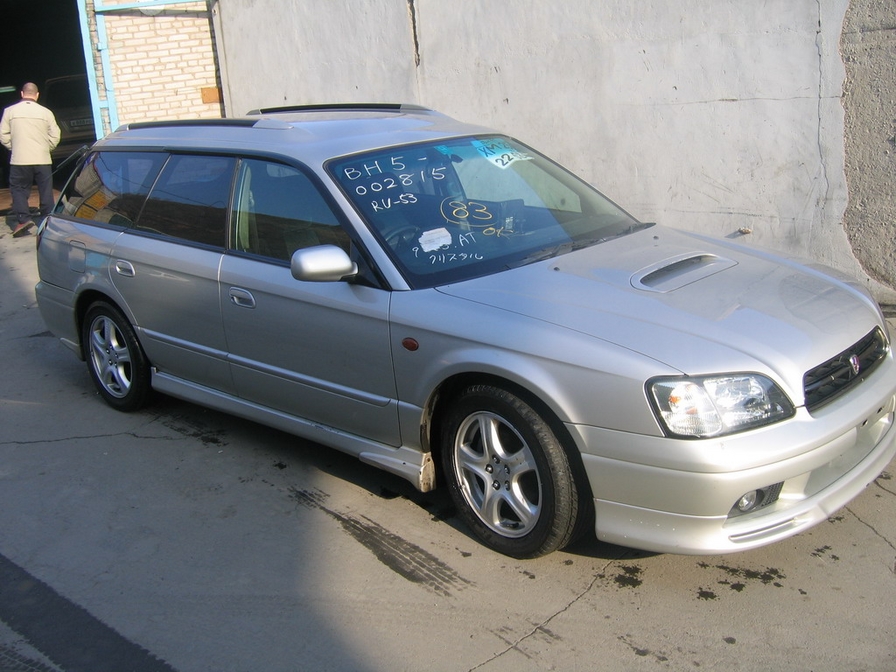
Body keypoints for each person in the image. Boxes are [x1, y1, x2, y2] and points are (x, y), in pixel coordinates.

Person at [0, 82, 61, 237]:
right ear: (37, 95)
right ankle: (47, 219)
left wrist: (13, 148)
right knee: (45, 190)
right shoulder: (46, 112)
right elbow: (55, 135)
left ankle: (23, 220)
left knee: (19, 189)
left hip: (20, 159)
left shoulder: (10, 111)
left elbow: (3, 135)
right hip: (42, 158)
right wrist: (47, 148)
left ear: (22, 93)